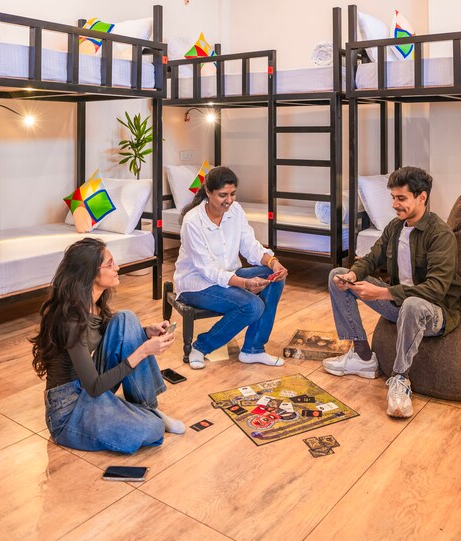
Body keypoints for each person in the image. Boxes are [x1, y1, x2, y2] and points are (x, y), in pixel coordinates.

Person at [322, 166, 461, 418]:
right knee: (337, 275)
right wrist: (352, 275)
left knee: (412, 304)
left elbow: (435, 289)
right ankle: (363, 356)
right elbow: (370, 258)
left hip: (434, 312)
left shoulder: (440, 235)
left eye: (401, 198)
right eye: (393, 197)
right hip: (399, 304)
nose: (394, 205)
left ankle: (400, 378)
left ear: (422, 197)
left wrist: (380, 293)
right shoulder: (395, 227)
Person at [31, 237, 185, 454]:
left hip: (88, 390)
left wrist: (145, 333)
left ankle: (148, 408)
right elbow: (94, 387)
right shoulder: (71, 320)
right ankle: (145, 415)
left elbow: (117, 340)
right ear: (91, 273)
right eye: (110, 264)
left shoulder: (94, 306)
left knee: (125, 318)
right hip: (68, 410)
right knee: (152, 428)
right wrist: (143, 351)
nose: (117, 268)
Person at [173, 165, 289, 370]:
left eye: (232, 194)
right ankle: (200, 347)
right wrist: (244, 283)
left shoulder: (235, 210)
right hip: (197, 284)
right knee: (252, 306)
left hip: (229, 274)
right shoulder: (192, 222)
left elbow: (250, 245)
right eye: (223, 195)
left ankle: (253, 349)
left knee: (274, 276)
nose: (229, 200)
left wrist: (273, 262)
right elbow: (207, 270)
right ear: (208, 192)